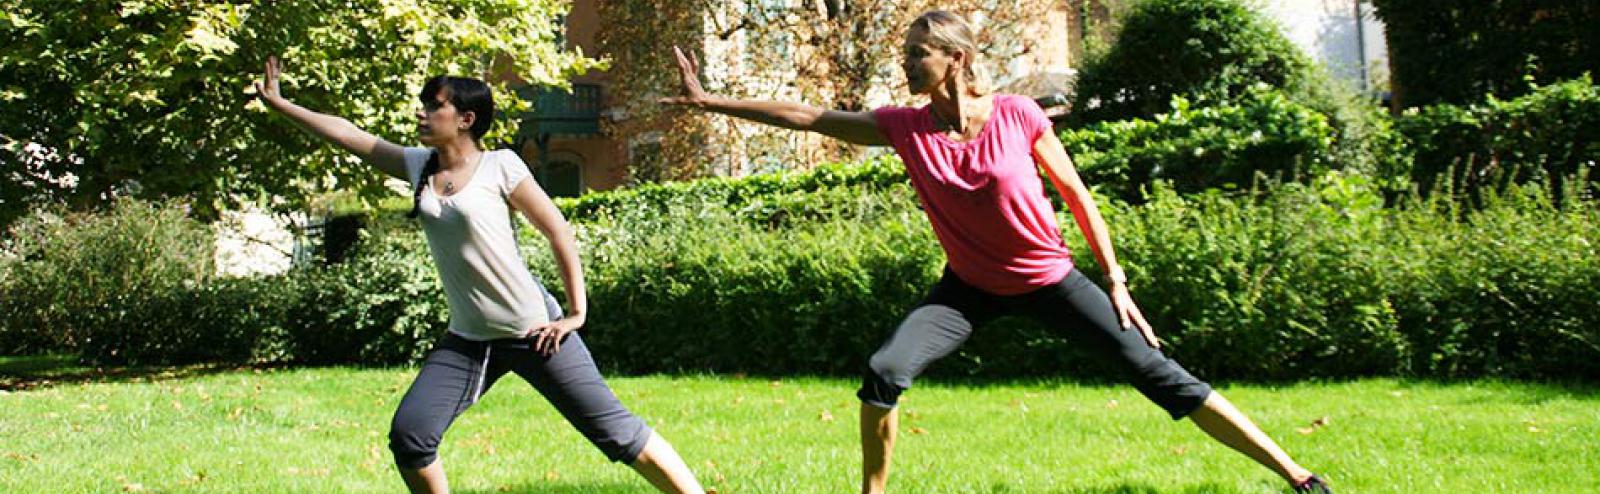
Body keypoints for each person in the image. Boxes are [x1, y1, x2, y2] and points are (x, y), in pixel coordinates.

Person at [660, 10, 1332, 494]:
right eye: (903, 56)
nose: (905, 65)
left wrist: (1117, 281)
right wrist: (711, 101)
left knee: (1161, 375)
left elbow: (1076, 195)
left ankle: (1297, 475)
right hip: (969, 288)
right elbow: (808, 117)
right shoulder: (904, 128)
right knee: (883, 373)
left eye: (916, 54)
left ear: (953, 57)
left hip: (1051, 280)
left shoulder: (1018, 114)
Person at [255, 56, 706, 494]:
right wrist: (283, 105)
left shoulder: (501, 166)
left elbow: (558, 231)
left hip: (535, 331)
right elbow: (349, 135)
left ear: (466, 118)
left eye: (435, 105)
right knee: (411, 435)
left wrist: (575, 313)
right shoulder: (419, 167)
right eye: (424, 104)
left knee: (617, 434)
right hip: (469, 340)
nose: (423, 112)